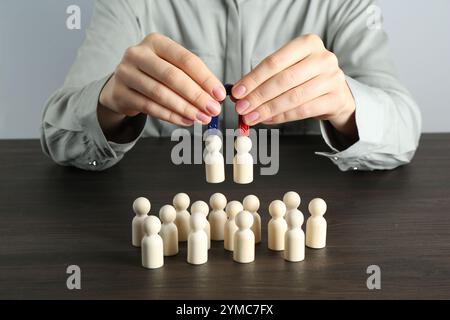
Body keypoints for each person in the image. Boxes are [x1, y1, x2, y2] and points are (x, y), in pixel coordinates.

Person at [41, 0, 421, 172]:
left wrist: (346, 106)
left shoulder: (343, 4)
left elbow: (404, 130)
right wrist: (108, 105)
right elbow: (60, 138)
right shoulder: (129, 3)